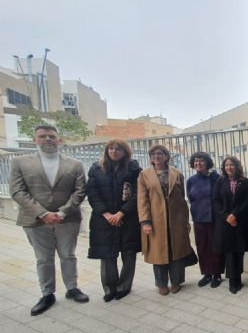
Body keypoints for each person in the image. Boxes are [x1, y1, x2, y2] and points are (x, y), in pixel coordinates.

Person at [10, 125, 89, 315]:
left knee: (68, 255)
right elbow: (17, 191)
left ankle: (72, 288)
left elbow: (80, 191)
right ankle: (47, 294)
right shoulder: (20, 162)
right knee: (43, 258)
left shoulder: (75, 164)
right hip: (35, 220)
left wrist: (62, 213)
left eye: (51, 136)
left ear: (59, 140)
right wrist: (43, 213)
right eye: (42, 136)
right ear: (35, 140)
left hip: (67, 219)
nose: (47, 139)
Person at [87, 139, 142, 302]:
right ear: (106, 151)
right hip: (103, 220)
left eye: (118, 149)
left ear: (125, 152)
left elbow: (138, 194)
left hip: (127, 218)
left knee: (128, 253)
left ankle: (124, 286)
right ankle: (109, 288)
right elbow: (92, 193)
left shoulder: (133, 169)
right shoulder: (96, 168)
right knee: (107, 255)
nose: (114, 151)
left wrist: (121, 213)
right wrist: (106, 214)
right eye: (111, 148)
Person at [138, 145, 194, 295]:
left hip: (176, 219)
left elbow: (182, 199)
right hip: (156, 220)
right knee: (159, 252)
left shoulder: (176, 173)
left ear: (166, 156)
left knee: (177, 250)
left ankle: (176, 281)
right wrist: (145, 221)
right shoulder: (144, 175)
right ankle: (161, 283)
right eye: (153, 154)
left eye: (160, 153)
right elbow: (142, 200)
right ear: (150, 157)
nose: (157, 156)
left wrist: (185, 220)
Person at [213, 156, 248, 294]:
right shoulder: (220, 181)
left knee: (239, 251)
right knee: (229, 252)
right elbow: (216, 201)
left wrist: (234, 215)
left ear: (237, 166)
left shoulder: (244, 181)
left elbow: (247, 200)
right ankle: (232, 281)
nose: (229, 167)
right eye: (226, 165)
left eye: (232, 165)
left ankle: (238, 278)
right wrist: (226, 216)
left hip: (240, 221)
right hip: (225, 223)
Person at [187, 152, 225, 289]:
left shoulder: (217, 178)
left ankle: (217, 274)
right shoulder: (191, 181)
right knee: (202, 246)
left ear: (207, 163)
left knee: (215, 246)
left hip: (215, 218)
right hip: (199, 218)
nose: (198, 163)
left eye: (201, 161)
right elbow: (191, 198)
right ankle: (207, 273)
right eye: (196, 161)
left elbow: (222, 197)